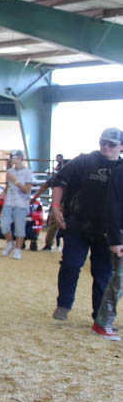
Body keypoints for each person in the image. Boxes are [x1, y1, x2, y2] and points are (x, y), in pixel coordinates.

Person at [49, 128, 122, 324]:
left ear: (121, 147)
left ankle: (98, 314)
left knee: (103, 273)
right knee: (71, 265)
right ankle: (64, 304)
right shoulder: (85, 160)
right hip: (77, 223)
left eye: (112, 144)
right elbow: (60, 180)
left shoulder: (121, 169)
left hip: (107, 230)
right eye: (103, 142)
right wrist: (56, 205)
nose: (106, 146)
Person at [96, 143, 123, 340]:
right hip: (120, 233)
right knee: (119, 280)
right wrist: (115, 238)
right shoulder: (120, 172)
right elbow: (113, 206)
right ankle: (102, 323)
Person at [0, 149, 34, 260]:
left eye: (13, 156)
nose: (11, 159)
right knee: (3, 224)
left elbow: (27, 189)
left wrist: (15, 181)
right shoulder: (10, 171)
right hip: (9, 201)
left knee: (20, 227)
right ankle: (10, 243)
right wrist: (1, 194)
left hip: (21, 203)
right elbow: (7, 186)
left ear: (19, 158)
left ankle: (18, 249)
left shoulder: (28, 172)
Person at [41, 153, 67, 252]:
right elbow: (45, 186)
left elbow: (45, 186)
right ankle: (50, 244)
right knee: (55, 224)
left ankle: (49, 244)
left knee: (55, 224)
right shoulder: (57, 177)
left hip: (62, 203)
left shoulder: (59, 176)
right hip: (60, 203)